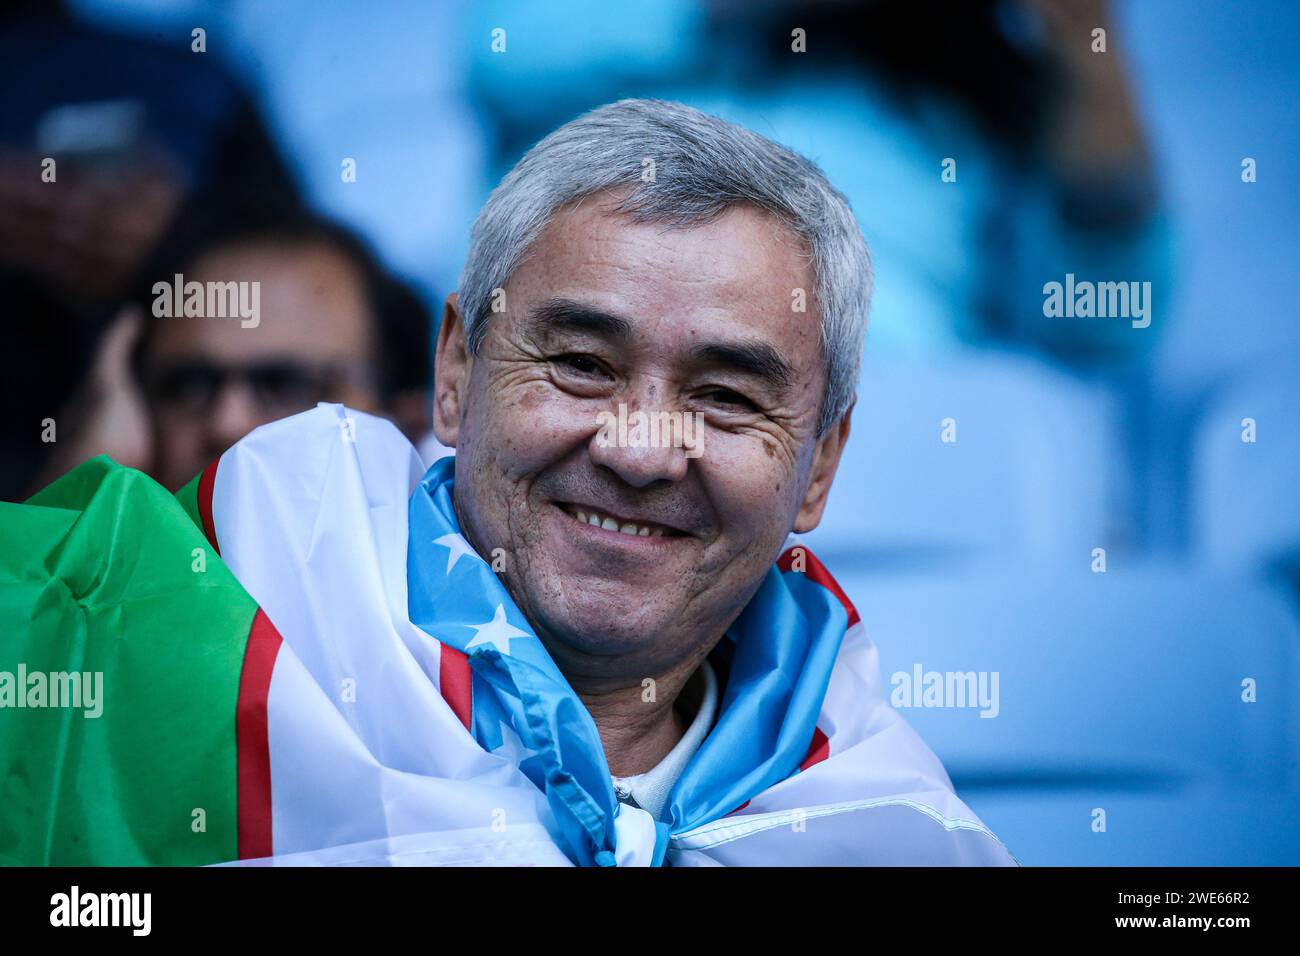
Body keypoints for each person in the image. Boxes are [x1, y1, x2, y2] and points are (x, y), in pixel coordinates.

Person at [0, 100, 1016, 867]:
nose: (640, 447)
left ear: (819, 467)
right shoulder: (228, 589)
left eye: (723, 395)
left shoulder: (891, 823)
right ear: (453, 374)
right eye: (581, 362)